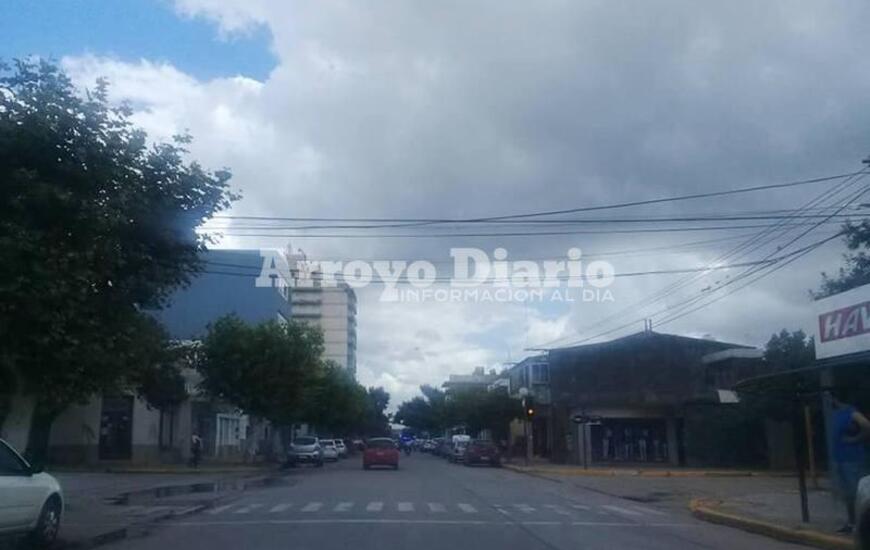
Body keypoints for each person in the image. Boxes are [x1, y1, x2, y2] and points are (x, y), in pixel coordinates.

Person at [830, 392, 870, 534]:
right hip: (840, 459)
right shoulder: (835, 414)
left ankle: (861, 524)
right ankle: (852, 522)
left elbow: (867, 426)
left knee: (855, 493)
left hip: (852, 459)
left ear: (835, 398)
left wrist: (854, 440)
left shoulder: (850, 412)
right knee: (848, 494)